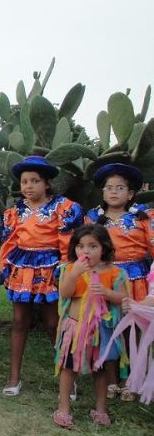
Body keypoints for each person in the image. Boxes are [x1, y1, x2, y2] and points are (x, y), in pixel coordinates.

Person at [0, 156, 83, 396]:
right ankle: (14, 377)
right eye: (24, 181)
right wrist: (5, 266)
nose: (28, 186)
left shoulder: (62, 208)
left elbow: (68, 241)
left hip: (51, 268)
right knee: (19, 321)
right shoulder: (15, 212)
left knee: (53, 323)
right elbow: (9, 241)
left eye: (34, 181)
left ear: (47, 183)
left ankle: (68, 376)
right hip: (22, 267)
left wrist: (65, 270)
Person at [85, 163, 152, 401]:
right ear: (102, 192)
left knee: (133, 329)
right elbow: (86, 247)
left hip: (136, 279)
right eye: (109, 188)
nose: (114, 192)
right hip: (106, 278)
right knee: (108, 328)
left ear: (131, 194)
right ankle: (112, 379)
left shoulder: (143, 217)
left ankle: (132, 378)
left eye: (120, 188)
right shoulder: (93, 217)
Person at [53, 225, 129, 429]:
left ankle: (101, 409)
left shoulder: (115, 272)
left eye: (92, 246)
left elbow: (123, 297)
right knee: (68, 368)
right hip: (74, 329)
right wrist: (75, 273)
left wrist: (106, 292)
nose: (85, 251)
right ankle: (64, 408)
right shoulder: (69, 269)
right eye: (80, 246)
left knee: (101, 370)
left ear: (104, 248)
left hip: (101, 332)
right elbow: (66, 294)